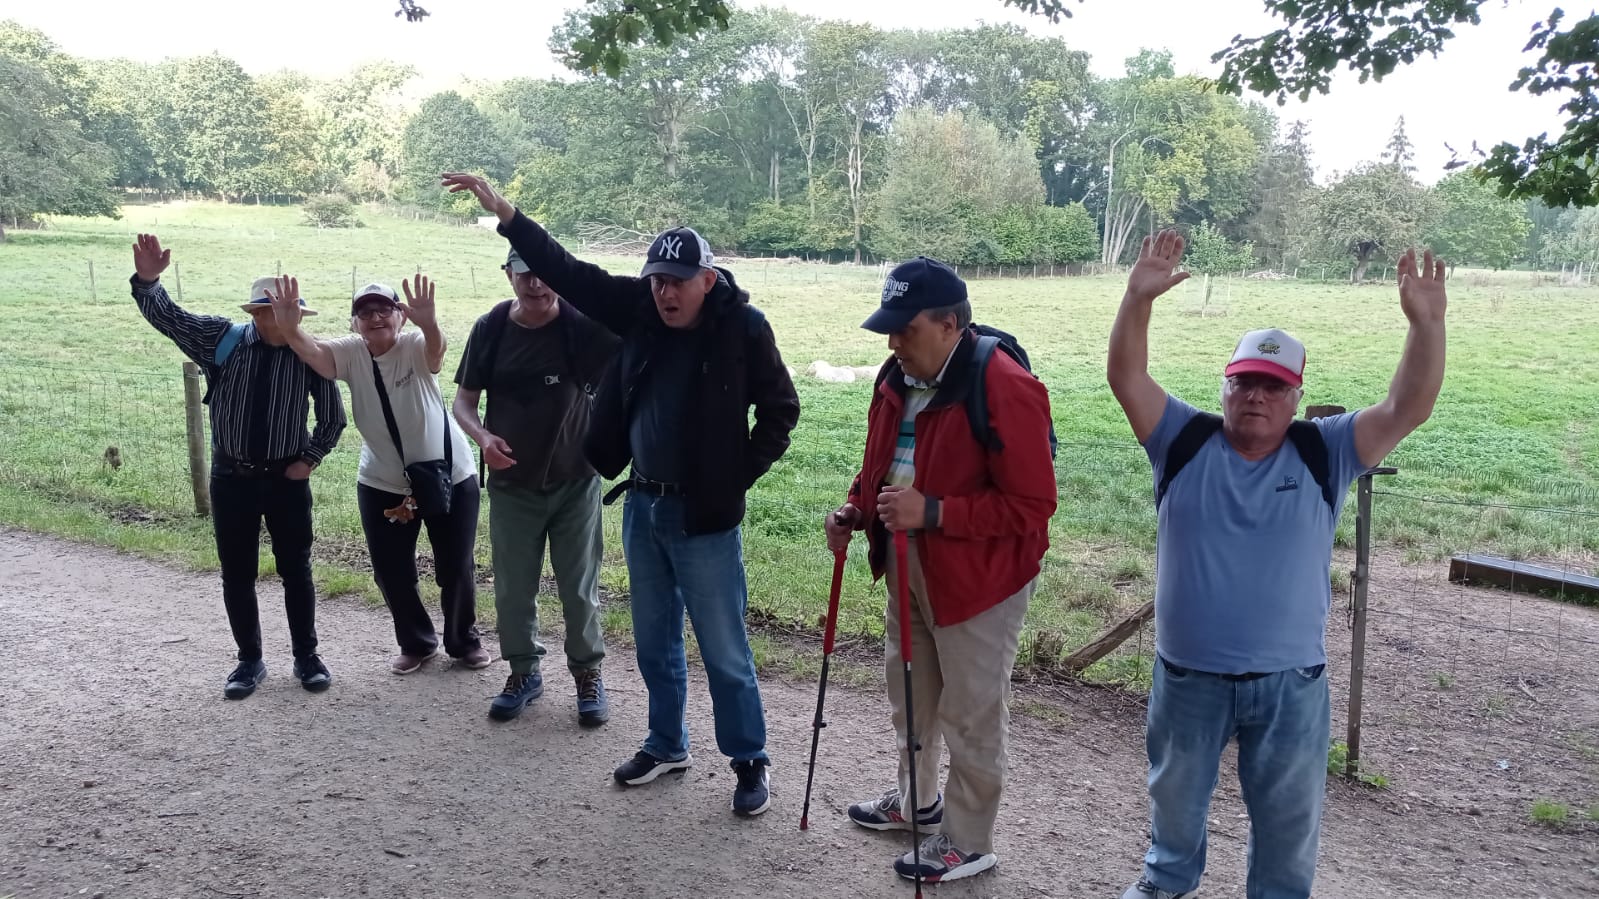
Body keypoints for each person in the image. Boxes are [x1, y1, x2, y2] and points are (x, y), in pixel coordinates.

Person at [442, 172, 799, 818]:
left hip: (706, 517)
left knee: (722, 647)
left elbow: (780, 413)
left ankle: (749, 759)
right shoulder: (639, 310)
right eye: (656, 279)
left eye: (677, 281)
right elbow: (569, 272)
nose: (664, 292)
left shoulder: (742, 329)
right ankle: (667, 743)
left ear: (707, 281)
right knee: (654, 638)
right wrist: (506, 214)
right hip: (643, 504)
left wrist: (732, 478)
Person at [1106, 231, 1447, 899]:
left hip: (1291, 686)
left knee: (1287, 837)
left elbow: (1408, 406)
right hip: (1187, 679)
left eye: (1271, 385)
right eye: (1244, 383)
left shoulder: (1327, 450)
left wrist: (1426, 323)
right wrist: (1135, 299)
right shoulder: (1180, 438)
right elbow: (1126, 377)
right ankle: (1165, 884)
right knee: (1171, 813)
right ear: (1225, 387)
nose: (1255, 397)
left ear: (1295, 397)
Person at [824, 257, 1057, 883]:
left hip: (980, 579)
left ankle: (968, 838)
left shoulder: (1003, 384)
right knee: (912, 699)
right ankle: (917, 804)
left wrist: (936, 512)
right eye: (891, 329)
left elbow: (1033, 507)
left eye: (907, 328)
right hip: (908, 562)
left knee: (971, 710)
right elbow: (885, 463)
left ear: (951, 324)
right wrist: (855, 508)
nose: (895, 342)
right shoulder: (896, 376)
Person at [128, 234, 346, 700]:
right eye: (278, 312)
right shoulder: (221, 339)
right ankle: (249, 661)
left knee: (298, 570)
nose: (288, 321)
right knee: (236, 573)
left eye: (294, 313)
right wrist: (148, 281)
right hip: (232, 479)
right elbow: (170, 319)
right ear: (259, 314)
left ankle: (307, 657)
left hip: (287, 480)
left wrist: (309, 460)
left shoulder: (310, 353)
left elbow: (333, 417)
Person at [267, 276, 491, 677]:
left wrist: (430, 323)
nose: (375, 317)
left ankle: (463, 641)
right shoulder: (350, 352)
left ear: (399, 316)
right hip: (383, 481)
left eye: (384, 309)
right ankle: (416, 643)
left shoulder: (414, 344)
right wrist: (289, 328)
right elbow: (313, 352)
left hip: (450, 473)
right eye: (365, 312)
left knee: (455, 565)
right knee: (391, 569)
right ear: (354, 323)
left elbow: (436, 354)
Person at [451, 248, 620, 725]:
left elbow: (632, 361)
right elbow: (463, 402)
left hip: (575, 481)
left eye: (545, 275)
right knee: (512, 589)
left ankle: (588, 675)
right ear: (508, 275)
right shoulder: (491, 328)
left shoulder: (582, 325)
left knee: (579, 588)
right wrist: (482, 437)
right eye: (524, 274)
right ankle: (524, 672)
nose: (536, 285)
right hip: (511, 485)